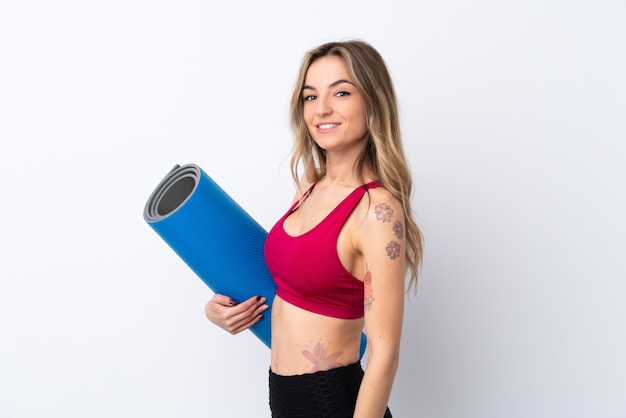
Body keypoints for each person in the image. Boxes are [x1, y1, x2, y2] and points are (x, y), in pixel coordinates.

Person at [204, 39, 423, 418]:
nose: (321, 109)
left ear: (372, 100)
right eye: (310, 96)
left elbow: (384, 354)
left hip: (334, 402)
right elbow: (293, 286)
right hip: (285, 397)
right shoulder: (309, 186)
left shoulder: (378, 210)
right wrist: (219, 309)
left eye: (341, 92)